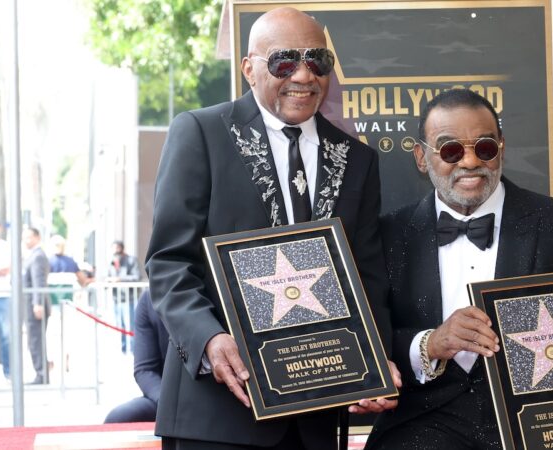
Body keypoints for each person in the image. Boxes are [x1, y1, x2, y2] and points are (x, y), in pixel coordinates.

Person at [145, 7, 396, 449]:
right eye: (284, 61)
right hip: (218, 413)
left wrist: (376, 361)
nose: (303, 74)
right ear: (249, 68)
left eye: (317, 60)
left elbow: (367, 276)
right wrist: (207, 338)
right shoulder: (201, 133)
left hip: (317, 418)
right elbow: (168, 262)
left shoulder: (357, 159)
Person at [364, 89, 553, 449]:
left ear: (501, 146)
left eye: (483, 147)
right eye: (451, 150)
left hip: (534, 424)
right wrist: (431, 344)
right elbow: (372, 338)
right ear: (422, 157)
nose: (469, 162)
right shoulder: (389, 234)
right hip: (423, 422)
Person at [105, 290, 168, 423]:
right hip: (167, 397)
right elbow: (145, 369)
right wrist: (167, 402)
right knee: (117, 419)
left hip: (211, 397)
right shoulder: (149, 299)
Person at [22, 227, 51, 385]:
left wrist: (38, 304)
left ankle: (41, 374)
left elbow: (38, 282)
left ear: (37, 238)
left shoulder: (38, 256)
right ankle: (41, 373)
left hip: (36, 306)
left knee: (36, 340)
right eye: (24, 237)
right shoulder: (32, 255)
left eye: (29, 237)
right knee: (34, 340)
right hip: (32, 305)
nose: (26, 241)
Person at [107, 240, 140, 354]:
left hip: (129, 298)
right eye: (113, 249)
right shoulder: (111, 261)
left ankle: (133, 349)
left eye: (117, 249)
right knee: (119, 324)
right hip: (116, 299)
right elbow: (108, 276)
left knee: (130, 325)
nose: (115, 251)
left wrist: (120, 279)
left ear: (122, 248)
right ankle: (123, 349)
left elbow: (136, 277)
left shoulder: (131, 260)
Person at [0, 217, 11, 380]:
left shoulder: (5, 246)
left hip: (2, 295)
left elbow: (6, 269)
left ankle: (9, 371)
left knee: (6, 336)